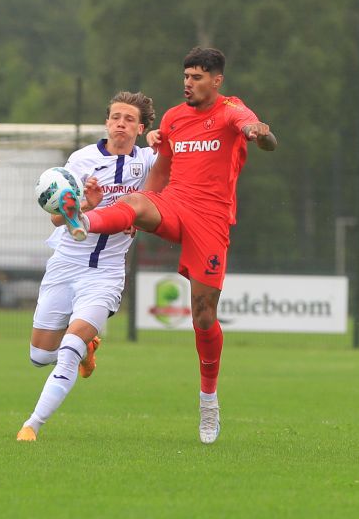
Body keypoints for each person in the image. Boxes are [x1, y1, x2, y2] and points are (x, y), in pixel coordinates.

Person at [59, 47, 277, 444]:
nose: (188, 83)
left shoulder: (231, 110)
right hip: (175, 204)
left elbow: (255, 131)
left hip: (210, 220)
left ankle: (208, 401)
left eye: (197, 77)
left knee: (204, 316)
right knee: (133, 201)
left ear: (216, 81)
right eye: (186, 76)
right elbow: (160, 172)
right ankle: (83, 221)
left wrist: (259, 132)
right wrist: (139, 212)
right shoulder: (174, 118)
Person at [17, 92, 157, 442]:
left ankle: (31, 425)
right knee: (39, 356)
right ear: (107, 122)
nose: (121, 123)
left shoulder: (149, 161)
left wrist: (140, 217)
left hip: (106, 274)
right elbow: (57, 218)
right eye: (115, 117)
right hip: (66, 264)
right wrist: (85, 205)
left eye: (129, 119)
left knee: (67, 350)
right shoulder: (82, 160)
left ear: (140, 128)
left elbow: (167, 190)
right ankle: (87, 347)